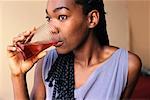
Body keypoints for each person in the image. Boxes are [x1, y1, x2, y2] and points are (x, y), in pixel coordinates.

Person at [7, 0, 142, 99]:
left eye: (62, 17)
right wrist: (17, 75)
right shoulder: (46, 61)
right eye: (49, 18)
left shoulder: (127, 65)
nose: (52, 29)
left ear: (91, 19)